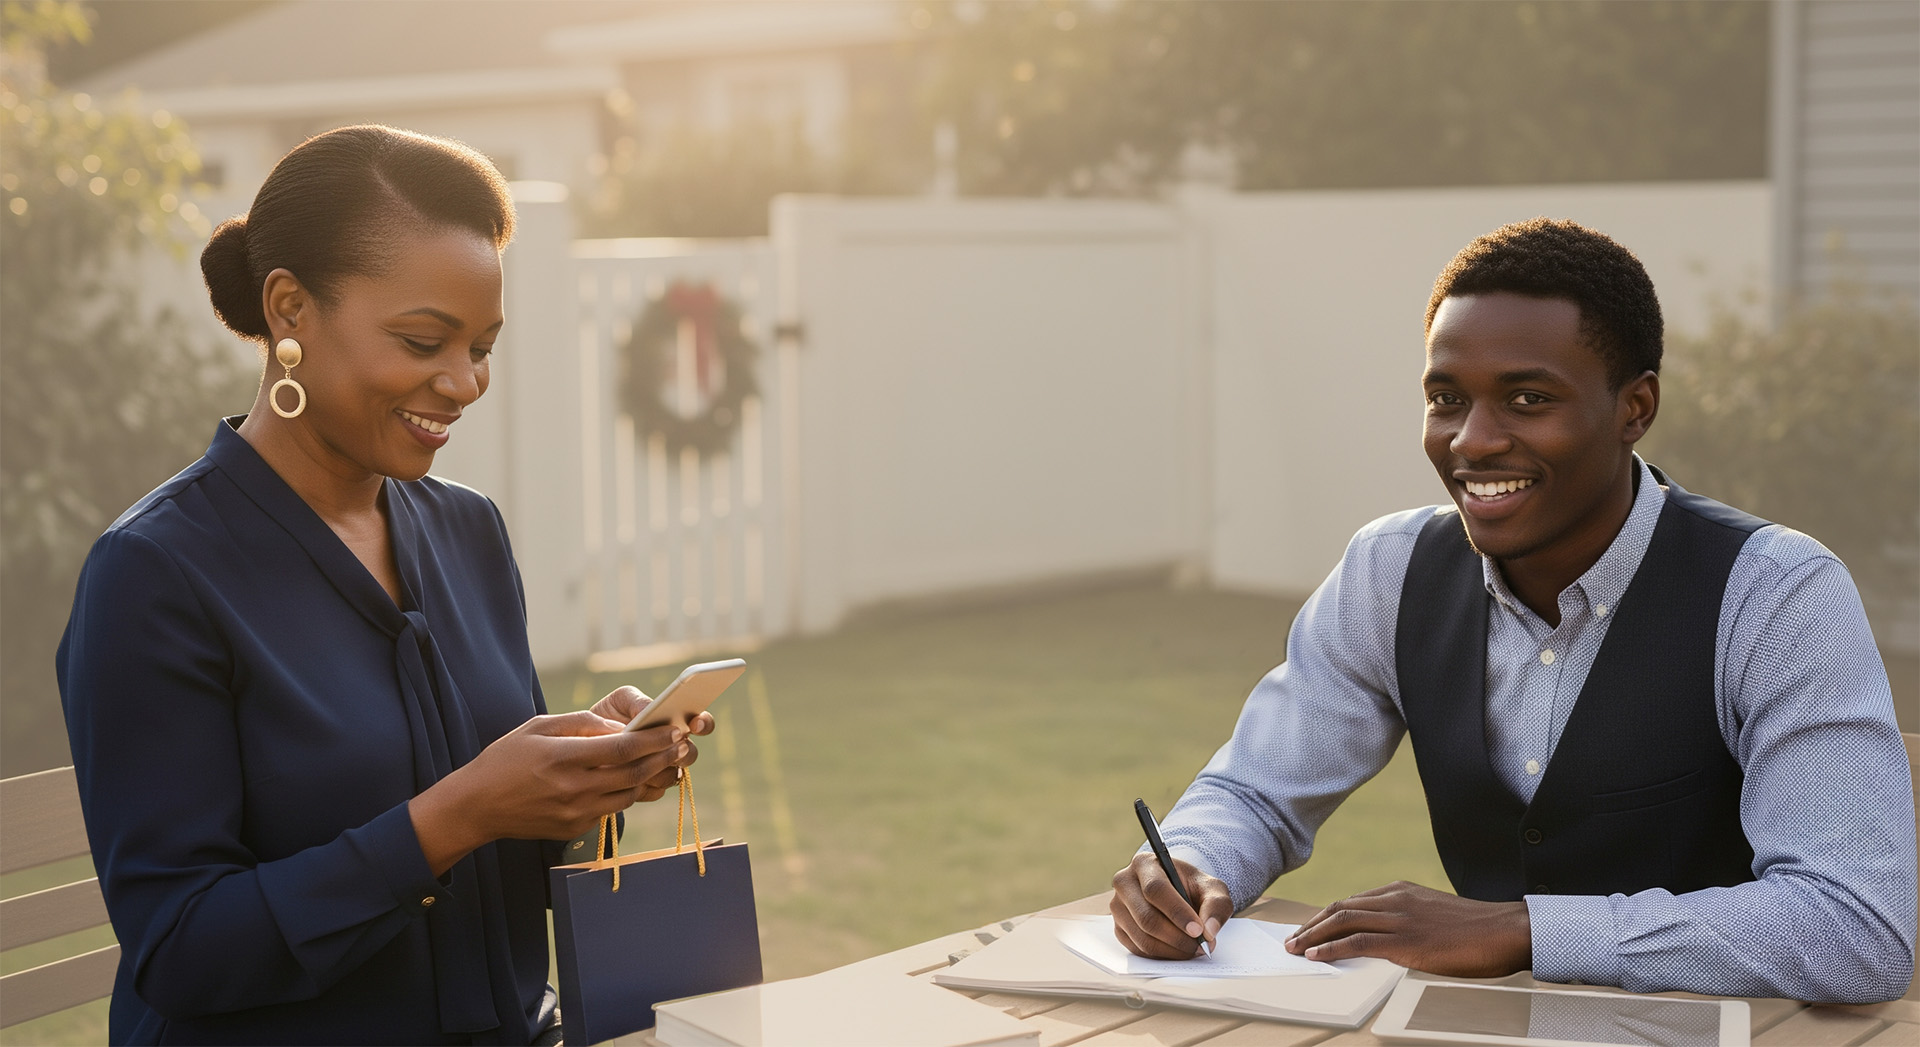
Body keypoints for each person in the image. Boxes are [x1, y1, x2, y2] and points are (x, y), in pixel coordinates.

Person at [1109, 218, 1916, 1003]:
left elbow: (1853, 924)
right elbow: (1256, 791)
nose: (1472, 440)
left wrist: (1528, 930)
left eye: (1528, 398)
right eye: (1447, 397)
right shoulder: (1391, 571)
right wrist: (1189, 861)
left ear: (1635, 408)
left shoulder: (1776, 592)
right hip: (1487, 1029)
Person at [58, 125, 709, 1045]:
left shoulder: (466, 530)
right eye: (423, 340)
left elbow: (501, 857)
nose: (464, 381)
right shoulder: (156, 574)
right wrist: (459, 812)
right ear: (289, 310)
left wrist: (589, 776)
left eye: (481, 345)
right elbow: (183, 950)